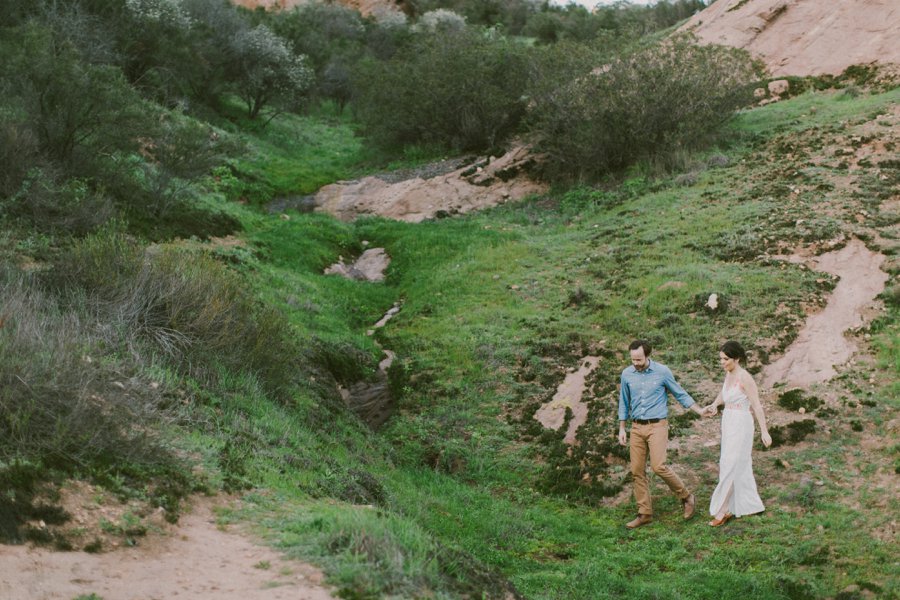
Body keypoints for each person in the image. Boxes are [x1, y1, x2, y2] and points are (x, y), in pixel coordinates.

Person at [618, 339, 706, 529]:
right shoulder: (626, 374)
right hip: (636, 427)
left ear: (648, 356)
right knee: (637, 471)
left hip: (657, 425)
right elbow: (623, 402)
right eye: (633, 359)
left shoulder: (662, 371)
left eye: (639, 359)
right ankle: (645, 513)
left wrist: (699, 410)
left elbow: (679, 393)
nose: (636, 363)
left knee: (658, 466)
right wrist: (622, 428)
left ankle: (686, 497)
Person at [701, 341, 772, 526]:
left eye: (726, 359)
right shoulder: (729, 374)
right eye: (721, 359)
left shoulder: (745, 377)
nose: (722, 362)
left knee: (733, 463)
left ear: (737, 359)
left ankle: (723, 510)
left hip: (741, 423)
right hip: (728, 421)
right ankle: (746, 504)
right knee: (728, 462)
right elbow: (724, 393)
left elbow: (756, 405)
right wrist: (715, 404)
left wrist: (764, 431)